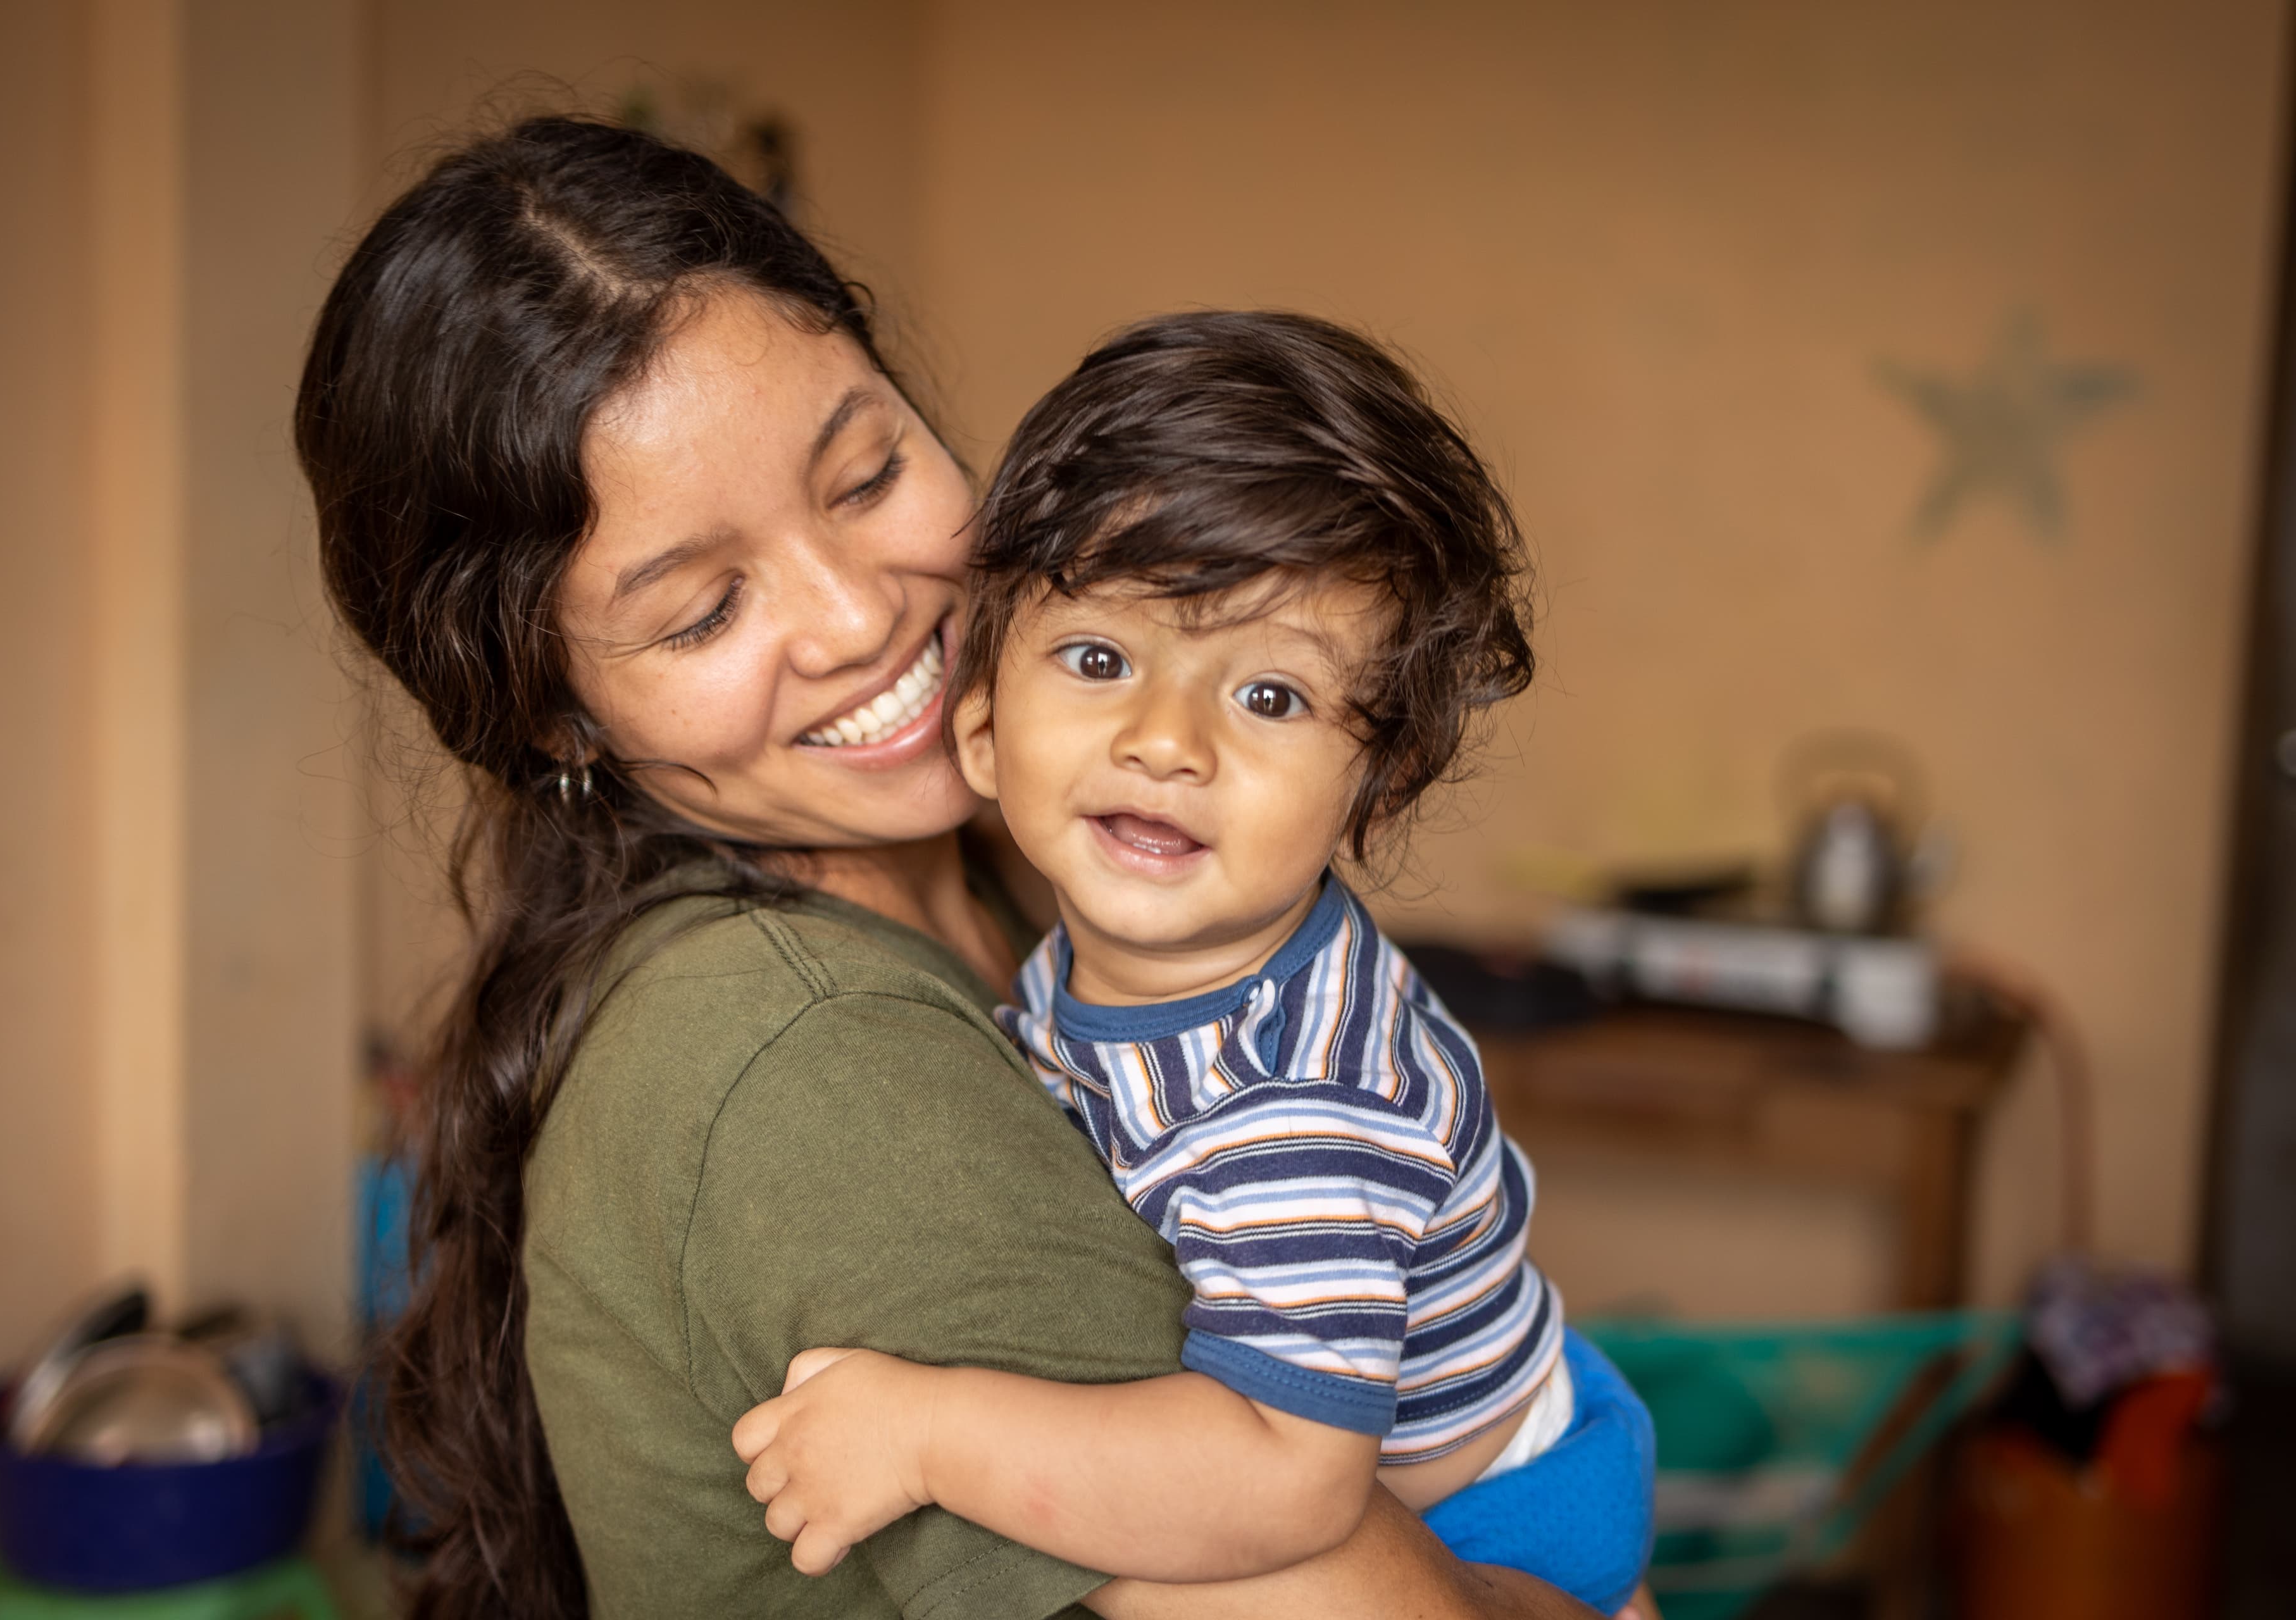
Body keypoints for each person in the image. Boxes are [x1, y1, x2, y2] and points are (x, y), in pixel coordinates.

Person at [296, 115, 1609, 1620]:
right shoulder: (806, 1049)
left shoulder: (1040, 870)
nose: (859, 617)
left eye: (864, 476)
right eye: (705, 609)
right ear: (555, 711)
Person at [728, 313, 1656, 1616]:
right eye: (1100, 658)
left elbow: (1284, 1484)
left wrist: (928, 1436)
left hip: (1501, 1523)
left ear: (1375, 792)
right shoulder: (1108, 949)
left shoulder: (1301, 1106)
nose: (1166, 740)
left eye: (1268, 695)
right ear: (980, 726)